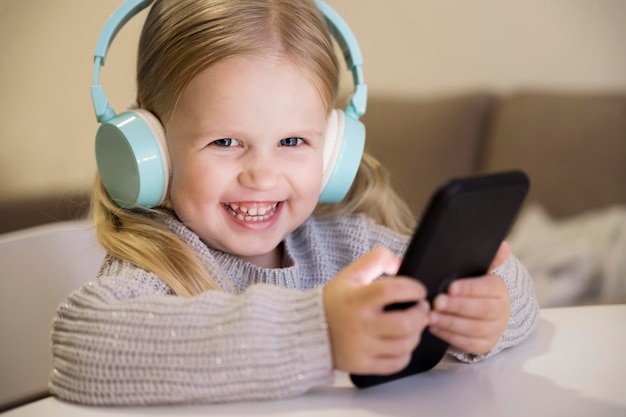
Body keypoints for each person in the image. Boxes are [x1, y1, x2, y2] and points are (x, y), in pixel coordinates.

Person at [50, 0, 538, 406]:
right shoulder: (158, 268)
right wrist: (318, 331)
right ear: (151, 152)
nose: (262, 175)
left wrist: (488, 311)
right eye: (224, 142)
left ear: (331, 151)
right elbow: (83, 346)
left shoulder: (344, 243)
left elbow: (511, 284)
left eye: (292, 142)